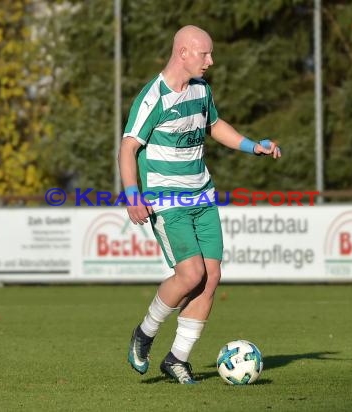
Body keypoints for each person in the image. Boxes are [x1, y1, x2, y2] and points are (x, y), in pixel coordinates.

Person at [118, 25, 281, 384]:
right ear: (183, 54)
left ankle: (177, 358)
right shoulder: (153, 98)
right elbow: (128, 148)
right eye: (204, 54)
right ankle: (144, 333)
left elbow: (216, 125)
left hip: (202, 195)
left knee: (210, 279)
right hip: (167, 198)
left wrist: (252, 145)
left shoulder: (201, 90)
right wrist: (133, 196)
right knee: (190, 275)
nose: (211, 60)